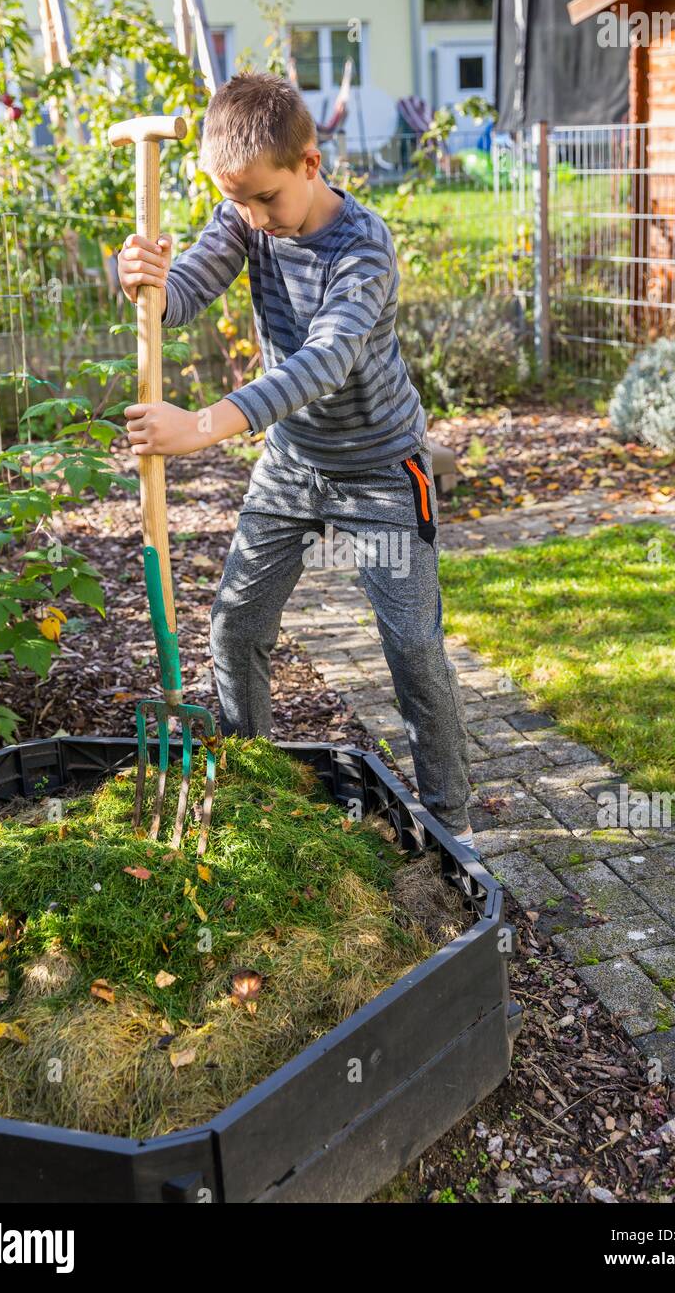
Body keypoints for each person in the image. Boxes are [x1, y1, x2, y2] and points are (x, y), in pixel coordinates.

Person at [117, 70, 476, 850]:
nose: (252, 219)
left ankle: (451, 823)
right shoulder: (245, 216)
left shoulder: (363, 248)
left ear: (310, 164)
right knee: (236, 625)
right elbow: (184, 294)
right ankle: (250, 780)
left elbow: (324, 362)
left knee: (412, 647)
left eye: (265, 200)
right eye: (237, 202)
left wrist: (204, 425)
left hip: (383, 469)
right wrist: (145, 280)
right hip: (292, 462)